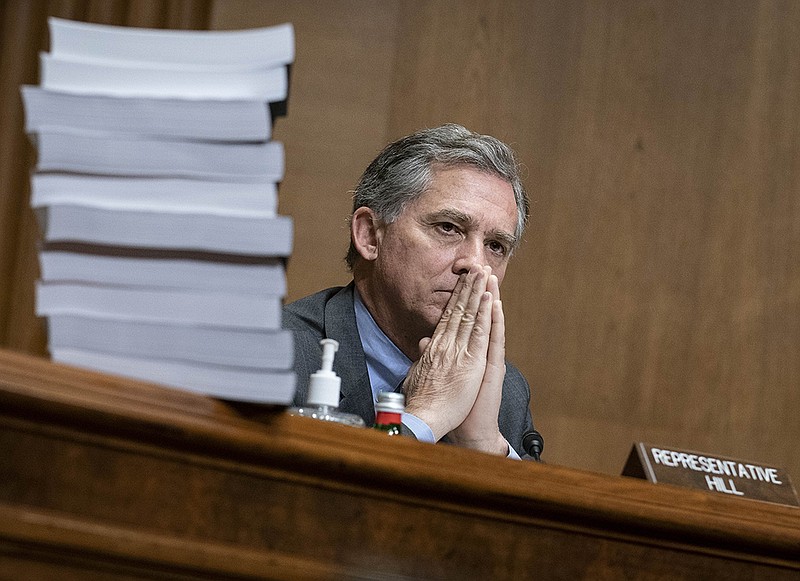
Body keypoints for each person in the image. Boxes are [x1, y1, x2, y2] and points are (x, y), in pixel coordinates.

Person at [283, 123, 536, 458]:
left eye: (496, 246)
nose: (475, 264)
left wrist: (483, 447)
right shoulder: (275, 354)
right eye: (448, 228)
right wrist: (423, 419)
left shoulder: (503, 389)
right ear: (371, 235)